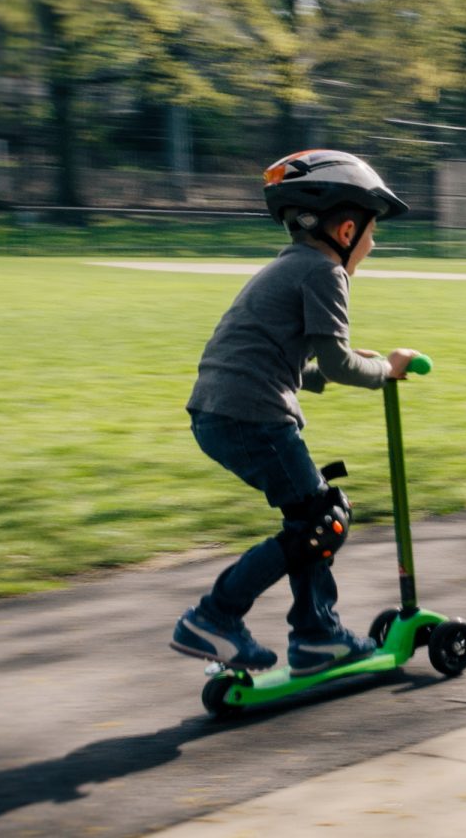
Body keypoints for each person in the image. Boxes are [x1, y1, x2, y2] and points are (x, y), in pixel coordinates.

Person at [169, 149, 420, 675]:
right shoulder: (326, 274)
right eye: (372, 236)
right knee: (322, 522)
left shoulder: (287, 267)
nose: (371, 247)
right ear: (347, 230)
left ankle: (314, 635)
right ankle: (219, 617)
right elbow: (335, 362)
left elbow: (284, 362)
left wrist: (338, 367)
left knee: (312, 518)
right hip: (253, 415)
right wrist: (386, 370)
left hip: (220, 410)